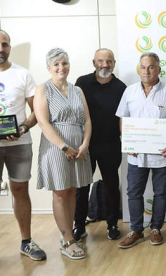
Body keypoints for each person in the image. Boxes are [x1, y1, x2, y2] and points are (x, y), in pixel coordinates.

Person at [116, 52, 166, 249]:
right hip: (136, 155)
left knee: (161, 193)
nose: (146, 71)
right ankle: (136, 230)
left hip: (162, 155)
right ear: (139, 69)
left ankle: (156, 229)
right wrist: (127, 141)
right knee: (133, 193)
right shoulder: (130, 92)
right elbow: (122, 118)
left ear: (158, 69)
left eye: (151, 67)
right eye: (143, 67)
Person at [34, 48, 93, 260]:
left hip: (79, 148)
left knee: (73, 190)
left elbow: (86, 120)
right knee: (60, 192)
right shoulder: (43, 89)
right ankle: (68, 239)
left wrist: (85, 143)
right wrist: (63, 147)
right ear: (49, 68)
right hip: (56, 148)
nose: (61, 68)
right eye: (56, 64)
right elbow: (42, 121)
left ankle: (67, 234)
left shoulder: (78, 90)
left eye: (64, 63)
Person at [0, 29, 46, 261]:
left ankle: (26, 242)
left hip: (19, 143)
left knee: (20, 191)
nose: (1, 49)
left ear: (10, 47)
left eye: (5, 44)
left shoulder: (23, 75)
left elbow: (35, 112)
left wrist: (23, 128)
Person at [73, 48, 126, 241]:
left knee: (112, 186)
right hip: (85, 144)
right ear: (94, 62)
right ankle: (78, 225)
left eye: (109, 61)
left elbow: (124, 118)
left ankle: (112, 224)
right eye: (101, 61)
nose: (105, 65)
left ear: (114, 63)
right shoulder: (81, 83)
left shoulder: (122, 87)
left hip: (111, 144)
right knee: (82, 187)